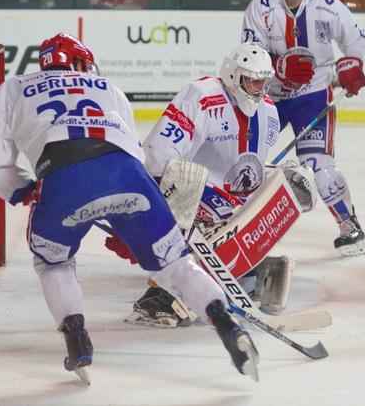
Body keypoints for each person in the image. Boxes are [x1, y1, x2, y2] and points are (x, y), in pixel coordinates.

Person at [0, 33, 259, 383]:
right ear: (79, 62)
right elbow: (133, 156)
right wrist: (133, 227)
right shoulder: (107, 86)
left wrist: (25, 191)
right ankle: (226, 321)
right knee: (175, 263)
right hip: (129, 176)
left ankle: (76, 337)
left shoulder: (15, 87)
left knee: (53, 262)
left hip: (62, 176)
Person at [107, 42, 307, 326]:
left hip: (233, 200)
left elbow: (253, 170)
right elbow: (156, 155)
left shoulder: (269, 112)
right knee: (187, 185)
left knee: (295, 180)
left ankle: (253, 269)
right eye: (253, 81)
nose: (259, 90)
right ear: (233, 76)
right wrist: (144, 219)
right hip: (191, 193)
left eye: (264, 83)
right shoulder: (202, 97)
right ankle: (164, 295)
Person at [241, 0, 365, 257]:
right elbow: (249, 54)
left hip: (312, 96)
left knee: (317, 163)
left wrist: (351, 67)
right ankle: (227, 220)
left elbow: (357, 42)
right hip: (268, 98)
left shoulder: (328, 7)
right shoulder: (260, 8)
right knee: (244, 160)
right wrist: (277, 66)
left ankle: (349, 224)